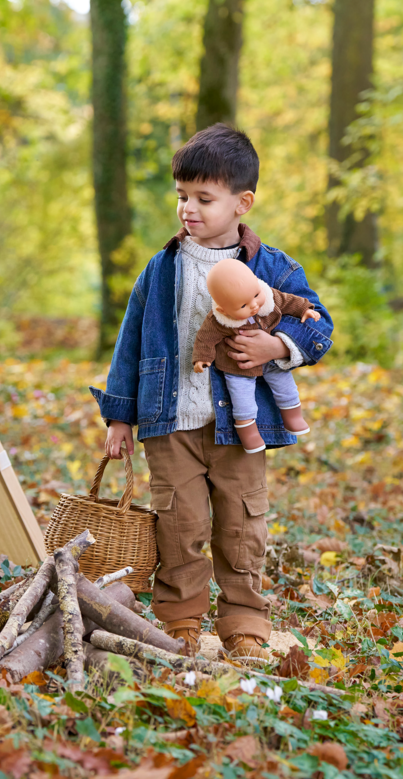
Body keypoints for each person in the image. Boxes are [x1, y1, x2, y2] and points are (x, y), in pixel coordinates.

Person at [90, 124, 333, 662]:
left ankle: (244, 623)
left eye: (204, 198)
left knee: (242, 522)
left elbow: (318, 322)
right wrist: (120, 417)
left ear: (242, 202)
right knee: (180, 523)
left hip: (239, 427)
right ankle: (180, 620)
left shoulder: (271, 267)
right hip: (171, 420)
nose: (188, 209)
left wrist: (277, 347)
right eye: (182, 196)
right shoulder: (161, 270)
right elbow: (129, 344)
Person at [192, 258, 322, 453]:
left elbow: (288, 301)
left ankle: (293, 417)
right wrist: (202, 357)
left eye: (255, 295)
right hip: (238, 366)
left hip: (271, 358)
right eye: (243, 305)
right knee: (242, 399)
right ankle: (249, 433)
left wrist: (305, 309)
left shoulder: (268, 298)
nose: (254, 305)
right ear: (222, 309)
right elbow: (205, 338)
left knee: (285, 385)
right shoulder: (218, 320)